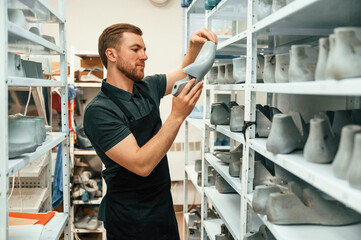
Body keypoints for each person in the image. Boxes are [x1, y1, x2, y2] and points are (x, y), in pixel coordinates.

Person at [83, 23, 217, 240]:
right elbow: (141, 164)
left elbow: (185, 75)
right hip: (129, 218)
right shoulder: (99, 111)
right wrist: (177, 116)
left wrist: (193, 48)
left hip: (162, 206)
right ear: (112, 54)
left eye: (144, 49)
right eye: (136, 50)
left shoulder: (146, 87)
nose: (144, 56)